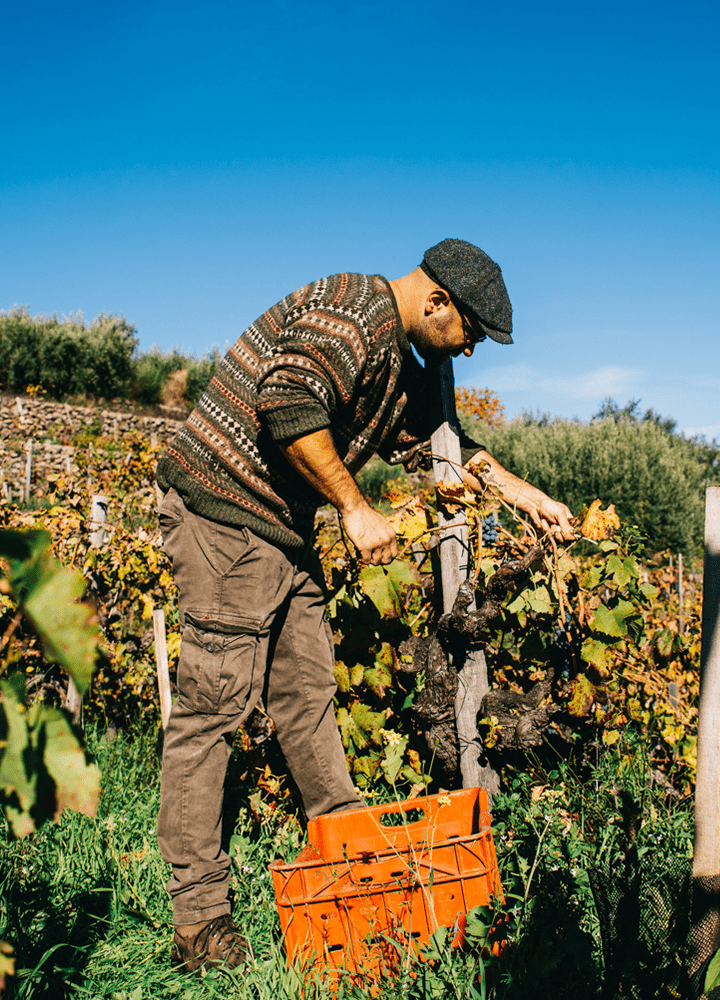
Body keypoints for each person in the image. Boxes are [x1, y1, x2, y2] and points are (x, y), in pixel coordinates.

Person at [155, 238, 575, 973]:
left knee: (307, 689)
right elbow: (285, 401)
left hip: (279, 531)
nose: (469, 352)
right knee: (213, 712)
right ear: (438, 301)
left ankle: (345, 856)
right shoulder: (352, 313)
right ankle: (199, 921)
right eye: (470, 334)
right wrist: (353, 506)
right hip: (224, 517)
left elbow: (439, 444)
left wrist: (521, 494)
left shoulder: (395, 361)